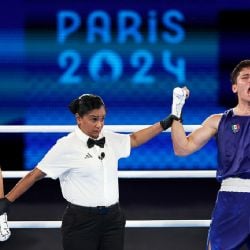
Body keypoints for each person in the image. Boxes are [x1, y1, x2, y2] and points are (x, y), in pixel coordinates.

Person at [0, 91, 184, 250]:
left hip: (113, 219)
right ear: (78, 119)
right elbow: (35, 175)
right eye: (94, 119)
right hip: (80, 222)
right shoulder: (66, 146)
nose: (99, 125)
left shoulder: (110, 139)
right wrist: (7, 201)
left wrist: (165, 123)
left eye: (103, 119)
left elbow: (134, 139)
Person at [171, 59, 250, 250]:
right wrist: (176, 110)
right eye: (246, 78)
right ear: (234, 87)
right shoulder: (218, 121)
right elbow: (182, 148)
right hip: (233, 199)